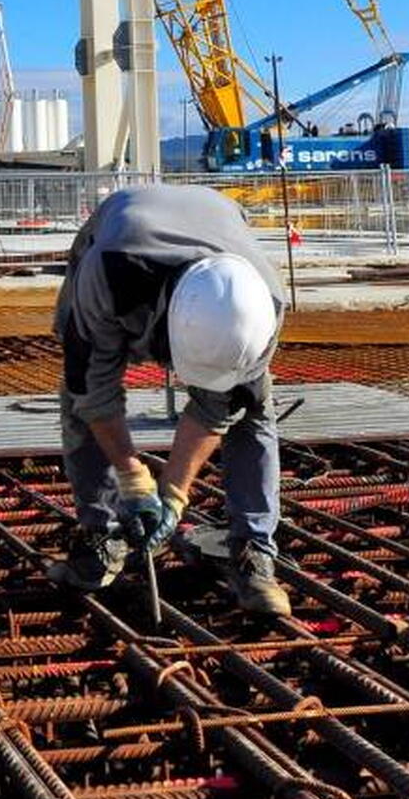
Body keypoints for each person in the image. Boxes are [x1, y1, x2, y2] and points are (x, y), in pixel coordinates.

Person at [46, 183, 292, 616]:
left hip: (215, 238)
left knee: (254, 409)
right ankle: (102, 535)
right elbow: (95, 393)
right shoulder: (109, 274)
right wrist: (132, 478)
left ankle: (255, 551)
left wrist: (174, 493)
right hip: (120, 239)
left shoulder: (265, 306)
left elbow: (220, 407)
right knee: (79, 396)